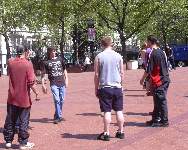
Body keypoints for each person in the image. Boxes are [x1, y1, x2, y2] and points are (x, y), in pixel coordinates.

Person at [3, 45, 38, 149]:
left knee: (10, 119)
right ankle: (23, 142)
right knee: (24, 120)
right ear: (26, 52)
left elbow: (9, 66)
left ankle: (8, 141)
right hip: (24, 98)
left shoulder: (11, 62)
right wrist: (36, 92)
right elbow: (31, 82)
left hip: (12, 97)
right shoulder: (28, 64)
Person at [94, 36, 125, 141]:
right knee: (119, 110)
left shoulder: (99, 56)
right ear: (111, 44)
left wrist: (96, 88)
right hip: (117, 86)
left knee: (107, 111)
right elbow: (122, 72)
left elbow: (97, 74)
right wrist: (121, 85)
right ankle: (121, 131)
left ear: (102, 44)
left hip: (105, 87)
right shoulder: (118, 56)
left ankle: (106, 133)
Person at [140, 35, 170, 127]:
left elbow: (148, 69)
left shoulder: (152, 53)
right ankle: (156, 119)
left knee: (161, 101)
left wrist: (142, 79)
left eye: (147, 41)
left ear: (150, 42)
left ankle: (164, 121)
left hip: (159, 79)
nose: (147, 43)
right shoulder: (161, 51)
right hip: (164, 78)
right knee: (157, 100)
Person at [41, 47, 68, 124]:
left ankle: (56, 115)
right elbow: (44, 74)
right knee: (57, 100)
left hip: (62, 82)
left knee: (62, 100)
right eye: (52, 51)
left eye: (55, 51)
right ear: (49, 52)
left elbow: (64, 70)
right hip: (53, 83)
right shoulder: (46, 62)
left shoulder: (60, 59)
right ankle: (59, 117)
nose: (54, 53)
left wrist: (67, 79)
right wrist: (43, 85)